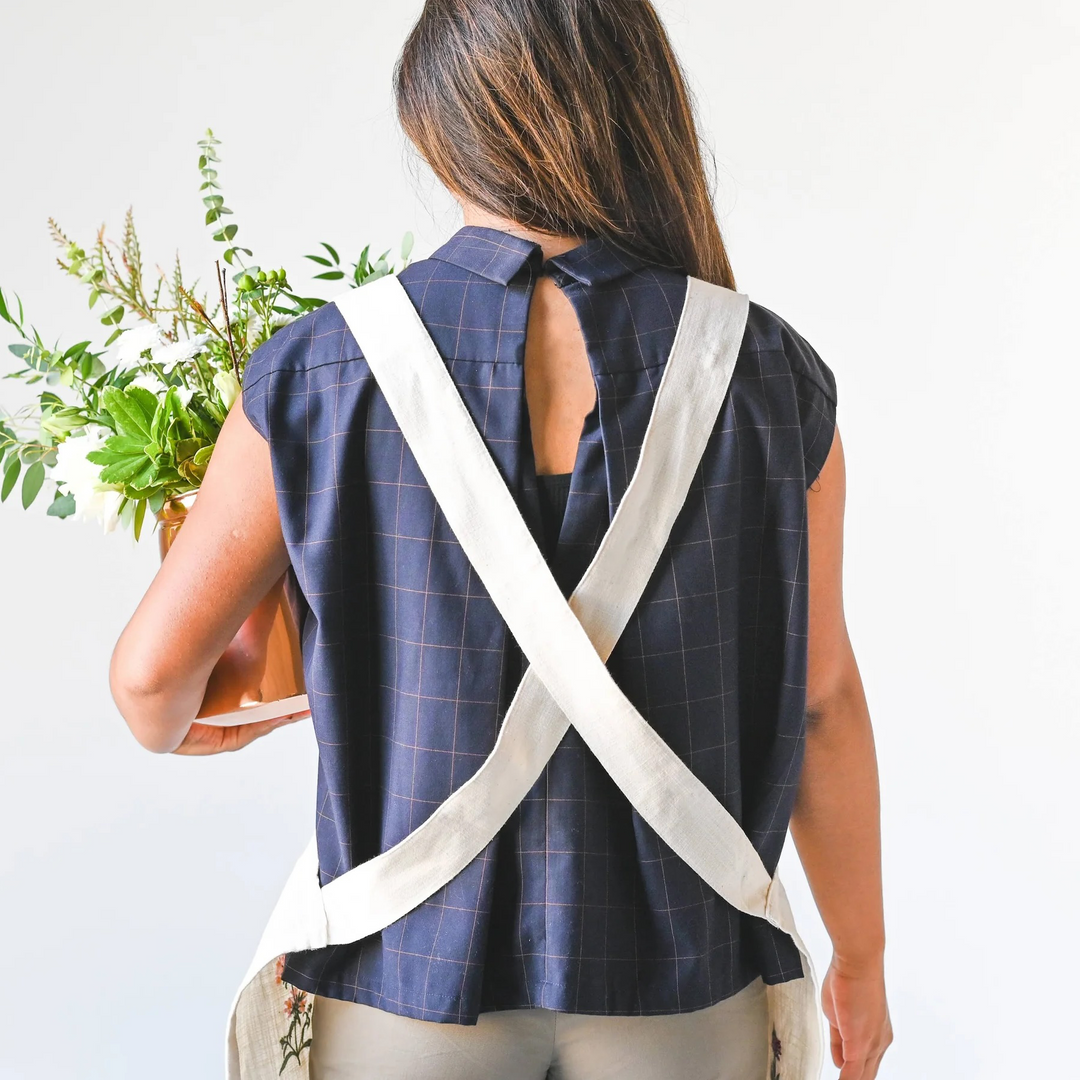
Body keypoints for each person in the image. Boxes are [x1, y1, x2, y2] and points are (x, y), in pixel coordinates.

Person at [109, 1, 893, 1077]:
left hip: (411, 984)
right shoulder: (767, 376)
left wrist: (249, 705)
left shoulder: (324, 372)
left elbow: (153, 686)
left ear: (441, 128)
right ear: (636, 112)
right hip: (683, 982)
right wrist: (864, 956)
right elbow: (821, 701)